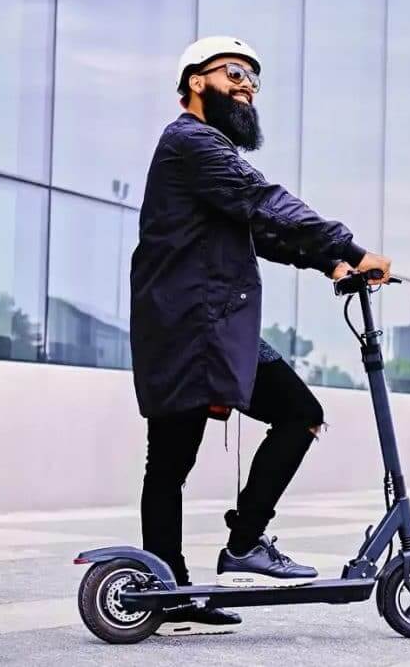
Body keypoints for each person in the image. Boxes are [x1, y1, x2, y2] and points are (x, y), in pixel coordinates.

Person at [129, 36, 391, 629]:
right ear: (197, 81)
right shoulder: (191, 142)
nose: (248, 85)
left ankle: (200, 569)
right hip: (191, 326)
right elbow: (263, 200)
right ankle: (185, 576)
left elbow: (261, 229)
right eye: (235, 72)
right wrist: (348, 245)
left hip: (209, 323)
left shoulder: (205, 151)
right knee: (174, 461)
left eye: (254, 78)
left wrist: (329, 264)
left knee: (291, 417)